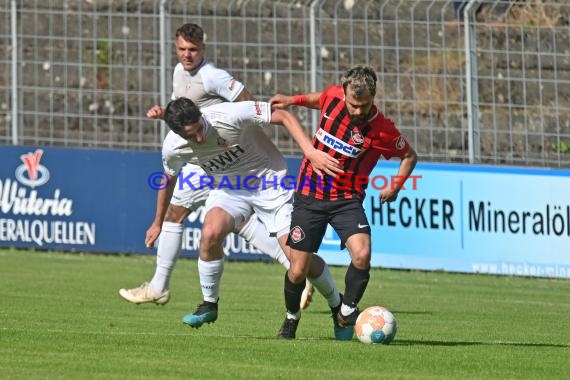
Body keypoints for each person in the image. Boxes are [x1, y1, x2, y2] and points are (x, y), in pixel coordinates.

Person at [118, 23, 314, 309]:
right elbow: (183, 117)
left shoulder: (213, 76)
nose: (187, 55)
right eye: (182, 49)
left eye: (193, 50)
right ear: (176, 47)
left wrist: (245, 140)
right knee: (234, 220)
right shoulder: (178, 72)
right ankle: (295, 267)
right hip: (205, 154)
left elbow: (246, 101)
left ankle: (159, 287)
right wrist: (163, 115)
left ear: (203, 49)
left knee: (175, 214)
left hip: (215, 158)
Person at [161, 97, 353, 340]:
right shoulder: (173, 146)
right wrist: (158, 222)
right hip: (230, 189)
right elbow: (168, 178)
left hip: (270, 184)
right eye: (191, 136)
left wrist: (310, 152)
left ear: (201, 115)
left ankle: (338, 307)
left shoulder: (228, 115)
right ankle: (209, 304)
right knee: (210, 233)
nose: (199, 138)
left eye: (199, 129)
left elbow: (283, 115)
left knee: (298, 263)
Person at [269, 65, 418, 339]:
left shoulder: (382, 129)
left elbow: (409, 156)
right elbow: (320, 99)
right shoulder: (334, 96)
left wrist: (395, 187)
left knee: (362, 254)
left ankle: (346, 311)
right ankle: (291, 318)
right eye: (352, 105)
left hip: (346, 199)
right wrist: (292, 100)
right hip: (309, 193)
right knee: (298, 269)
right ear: (344, 94)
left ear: (373, 96)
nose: (357, 111)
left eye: (364, 105)